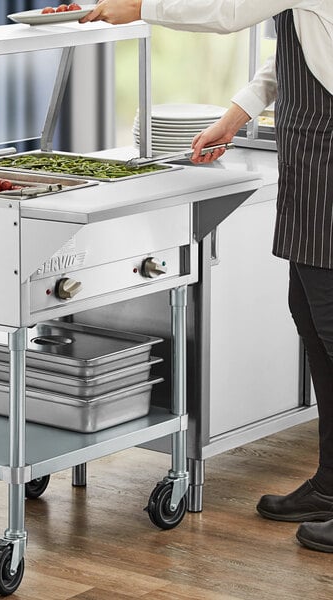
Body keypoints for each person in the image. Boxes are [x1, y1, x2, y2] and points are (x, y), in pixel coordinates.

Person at [82, 0, 333, 552]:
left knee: (331, 327)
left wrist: (140, 7)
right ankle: (332, 485)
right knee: (312, 320)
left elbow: (226, 10)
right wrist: (235, 115)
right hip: (311, 157)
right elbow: (293, 55)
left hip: (329, 155)